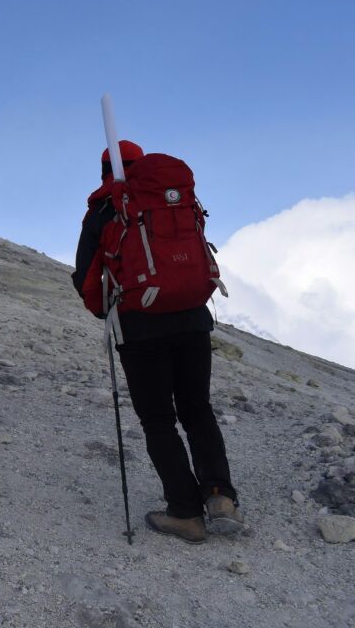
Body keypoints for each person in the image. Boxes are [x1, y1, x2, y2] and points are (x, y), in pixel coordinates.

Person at [72, 140, 244, 543]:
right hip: (193, 317)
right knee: (198, 410)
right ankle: (220, 497)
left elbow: (86, 276)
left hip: (140, 325)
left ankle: (185, 512)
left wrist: (104, 312)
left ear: (104, 171)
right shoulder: (176, 198)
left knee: (158, 420)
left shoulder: (105, 207)